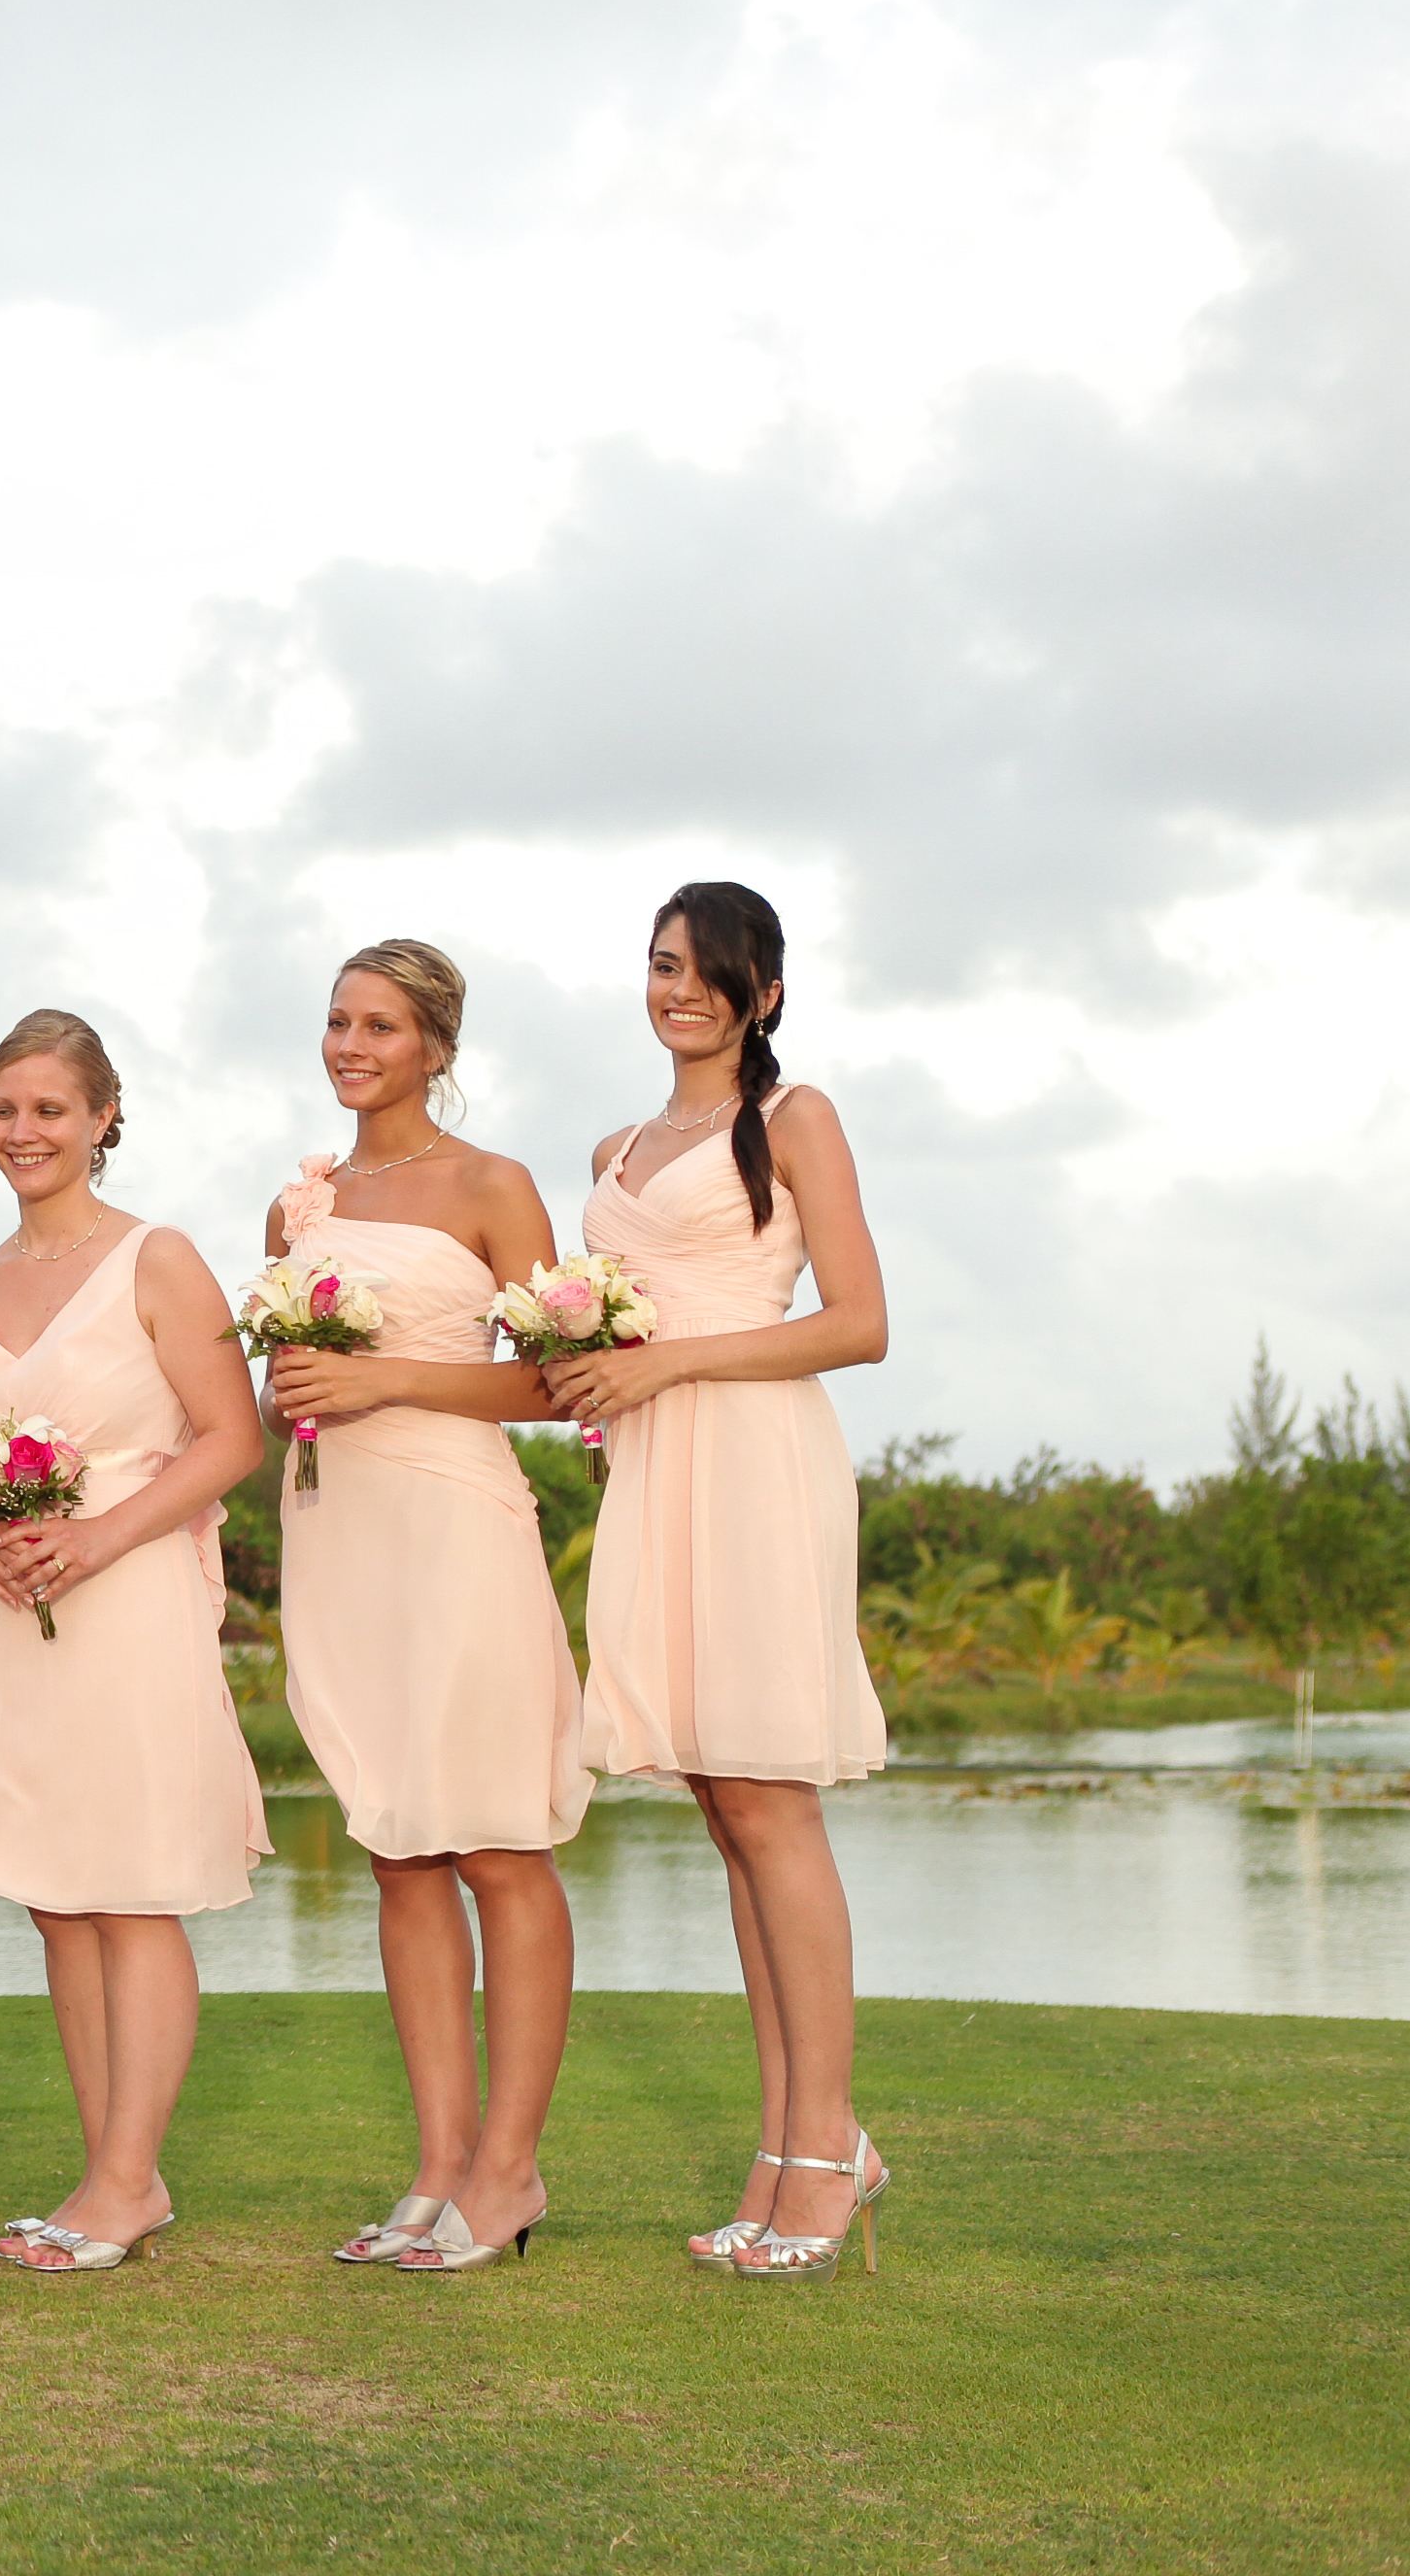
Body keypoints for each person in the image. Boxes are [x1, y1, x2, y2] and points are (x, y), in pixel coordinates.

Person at [551, 884, 894, 2280]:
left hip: (754, 1459)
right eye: (660, 964)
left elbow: (861, 1323)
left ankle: (827, 2147)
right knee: (724, 1808)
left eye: (705, 969)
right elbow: (617, 1326)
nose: (677, 988)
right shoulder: (616, 1145)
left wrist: (670, 1363)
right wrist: (601, 1389)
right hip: (653, 1467)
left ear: (760, 988)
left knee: (769, 1796)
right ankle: (788, 2144)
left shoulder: (794, 1118)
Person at [255, 945, 589, 2275]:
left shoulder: (493, 1186)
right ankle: (439, 2165)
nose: (350, 1043)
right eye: (337, 1019)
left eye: (380, 1025)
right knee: (396, 1845)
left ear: (436, 1047)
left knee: (498, 1842)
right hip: (339, 1532)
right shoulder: (301, 1201)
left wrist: (390, 1383)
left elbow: (562, 1387)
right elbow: (283, 1367)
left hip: (456, 1519)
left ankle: (509, 2174)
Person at [0, 1009, 267, 2274]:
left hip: (127, 1596)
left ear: (103, 1119)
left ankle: (124, 2186)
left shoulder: (159, 1262)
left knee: (132, 1888)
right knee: (57, 1899)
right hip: (12, 1609)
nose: (24, 1132)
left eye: (50, 1110)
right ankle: (111, 2173)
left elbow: (234, 1434)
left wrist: (101, 1536)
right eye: (5, 1108)